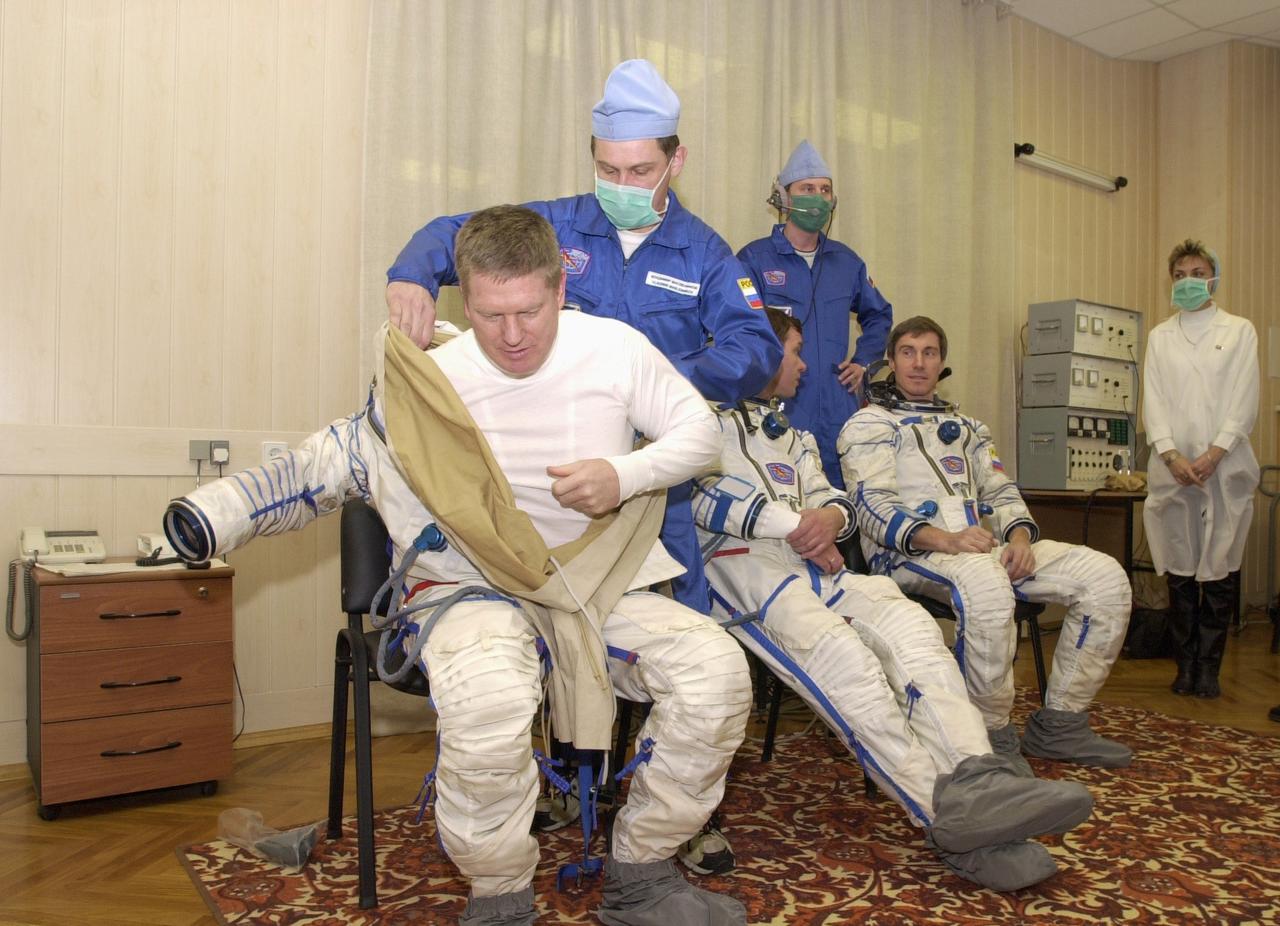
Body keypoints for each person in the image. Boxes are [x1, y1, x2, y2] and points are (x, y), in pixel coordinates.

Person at [165, 206, 753, 926]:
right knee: (489, 698)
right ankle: (500, 896)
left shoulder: (616, 349)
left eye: (529, 312)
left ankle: (642, 875)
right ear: (463, 300)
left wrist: (623, 474)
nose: (510, 336)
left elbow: (699, 435)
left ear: (559, 292)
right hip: (470, 584)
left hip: (590, 581)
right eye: (489, 314)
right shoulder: (430, 379)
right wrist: (210, 515)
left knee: (716, 673)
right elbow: (328, 463)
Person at [691, 309, 1093, 891]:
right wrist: (797, 526)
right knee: (849, 667)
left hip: (819, 568)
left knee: (915, 632)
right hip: (747, 578)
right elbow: (704, 497)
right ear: (757, 353)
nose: (804, 365)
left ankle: (977, 776)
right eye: (795, 352)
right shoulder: (697, 425)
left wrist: (824, 520)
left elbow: (840, 502)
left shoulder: (794, 435)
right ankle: (948, 822)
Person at [384, 58, 782, 617]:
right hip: (550, 481)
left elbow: (756, 349)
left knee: (671, 633)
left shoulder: (705, 254)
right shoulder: (556, 226)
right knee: (537, 631)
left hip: (650, 480)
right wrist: (410, 276)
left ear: (677, 161)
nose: (622, 186)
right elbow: (451, 232)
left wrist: (651, 375)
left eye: (641, 172)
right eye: (608, 170)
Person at [837, 316, 1133, 771]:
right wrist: (945, 539)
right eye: (908, 352)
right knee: (987, 586)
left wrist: (1017, 538)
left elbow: (1000, 491)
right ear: (891, 361)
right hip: (909, 554)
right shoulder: (868, 425)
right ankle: (989, 736)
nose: (919, 363)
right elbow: (871, 505)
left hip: (981, 549)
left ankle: (1060, 725)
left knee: (1106, 578)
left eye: (930, 352)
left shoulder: (969, 428)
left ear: (942, 363)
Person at [736, 140, 892, 490]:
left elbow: (879, 314)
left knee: (843, 502)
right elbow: (740, 328)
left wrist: (864, 362)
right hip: (781, 402)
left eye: (825, 190)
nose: (818, 197)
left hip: (838, 405)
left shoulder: (847, 262)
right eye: (807, 189)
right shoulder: (754, 260)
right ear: (784, 196)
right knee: (785, 496)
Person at [1143, 240, 1260, 700]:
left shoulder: (1239, 330)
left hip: (1223, 467)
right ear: (1170, 281)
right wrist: (1171, 454)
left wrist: (1215, 452)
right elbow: (1153, 399)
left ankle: (1209, 668)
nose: (1188, 280)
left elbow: (1244, 396)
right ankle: (1184, 666)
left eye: (1198, 271)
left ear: (1214, 276)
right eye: (1179, 274)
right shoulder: (1160, 336)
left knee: (1218, 565)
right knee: (1180, 567)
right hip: (1173, 469)